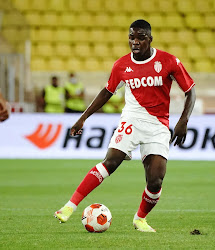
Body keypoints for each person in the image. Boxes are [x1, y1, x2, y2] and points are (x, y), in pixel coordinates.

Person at [54, 19, 196, 232]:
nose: (135, 42)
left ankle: (140, 219)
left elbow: (190, 90)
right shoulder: (121, 65)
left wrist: (183, 120)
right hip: (132, 119)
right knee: (111, 161)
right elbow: (107, 92)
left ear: (150, 39)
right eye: (132, 37)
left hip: (158, 125)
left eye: (140, 37)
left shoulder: (168, 61)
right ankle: (68, 207)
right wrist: (83, 117)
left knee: (156, 180)